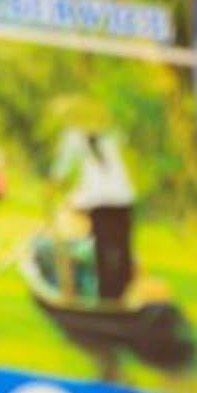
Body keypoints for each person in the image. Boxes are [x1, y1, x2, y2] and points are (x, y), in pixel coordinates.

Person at [50, 105, 138, 301]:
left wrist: (52, 191)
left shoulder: (74, 137)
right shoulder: (110, 137)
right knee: (122, 249)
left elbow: (60, 171)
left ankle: (108, 297)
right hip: (124, 201)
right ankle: (122, 296)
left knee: (103, 250)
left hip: (103, 203)